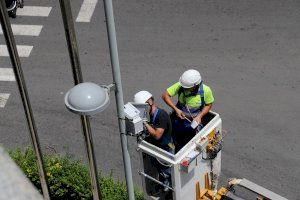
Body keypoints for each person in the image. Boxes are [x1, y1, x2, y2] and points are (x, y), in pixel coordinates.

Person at [162, 69, 214, 150]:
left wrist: (200, 116)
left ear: (196, 85)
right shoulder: (181, 85)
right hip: (178, 121)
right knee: (176, 138)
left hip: (194, 123)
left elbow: (208, 105)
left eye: (187, 88)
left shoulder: (206, 91)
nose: (184, 88)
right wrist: (176, 109)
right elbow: (165, 95)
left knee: (191, 143)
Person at [134, 90, 175, 191]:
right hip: (156, 147)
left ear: (149, 103)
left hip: (165, 148)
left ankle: (170, 186)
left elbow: (157, 135)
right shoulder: (149, 115)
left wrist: (145, 123)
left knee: (166, 169)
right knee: (158, 166)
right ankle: (164, 180)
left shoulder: (161, 115)